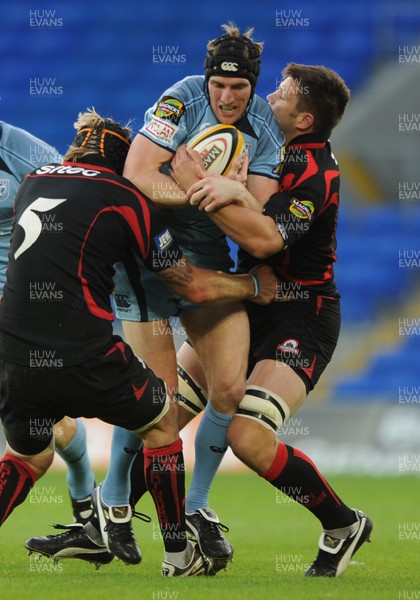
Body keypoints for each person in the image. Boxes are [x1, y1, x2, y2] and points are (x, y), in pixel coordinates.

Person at [0, 108, 277, 576]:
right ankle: (177, 555)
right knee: (161, 426)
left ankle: (98, 514)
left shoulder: (34, 181)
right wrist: (253, 286)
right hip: (84, 352)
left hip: (12, 354)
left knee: (29, 455)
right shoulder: (127, 198)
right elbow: (188, 284)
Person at [74, 21, 281, 570]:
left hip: (208, 263)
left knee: (230, 388)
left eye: (239, 88)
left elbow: (260, 216)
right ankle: (113, 501)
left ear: (254, 86)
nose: (227, 97)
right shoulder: (182, 97)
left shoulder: (265, 126)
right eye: (219, 85)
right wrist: (212, 192)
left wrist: (229, 191)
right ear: (207, 80)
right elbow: (138, 173)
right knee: (156, 406)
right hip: (146, 258)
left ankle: (196, 505)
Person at [169, 62, 373, 578]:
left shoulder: (317, 173)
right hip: (249, 299)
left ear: (303, 119)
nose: (269, 95)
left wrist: (205, 189)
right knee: (158, 419)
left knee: (249, 438)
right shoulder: (260, 144)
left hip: (302, 314)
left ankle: (341, 524)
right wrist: (219, 188)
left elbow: (265, 239)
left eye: (281, 92)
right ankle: (158, 516)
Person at [0, 120, 95, 524]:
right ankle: (89, 502)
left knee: (45, 425)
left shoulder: (23, 152)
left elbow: (78, 202)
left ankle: (85, 493)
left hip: (18, 309)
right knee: (44, 425)